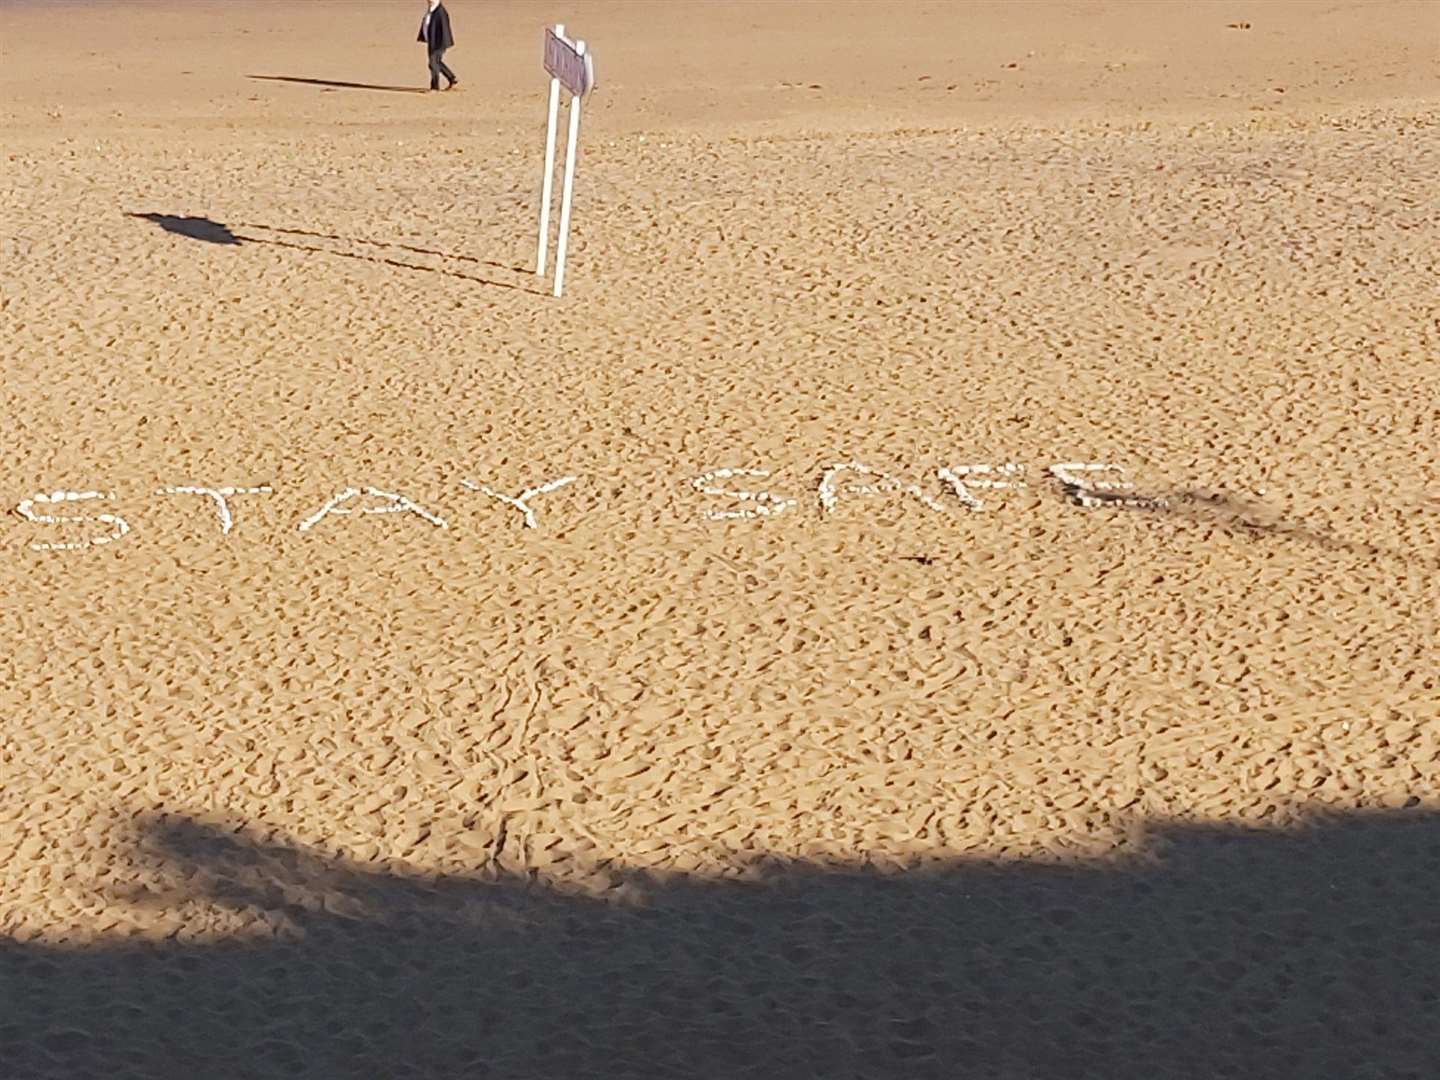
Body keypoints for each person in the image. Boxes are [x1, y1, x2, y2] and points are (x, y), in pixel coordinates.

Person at [417, 0, 458, 92]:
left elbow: (444, 29)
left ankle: (435, 87)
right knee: (436, 62)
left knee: (433, 63)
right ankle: (452, 78)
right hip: (432, 41)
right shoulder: (431, 10)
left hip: (439, 42)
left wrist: (441, 43)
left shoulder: (440, 12)